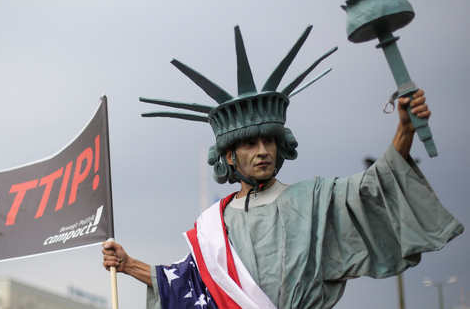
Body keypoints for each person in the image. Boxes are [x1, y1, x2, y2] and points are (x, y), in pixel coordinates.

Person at [102, 26, 463, 309]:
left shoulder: (313, 200)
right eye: (249, 143)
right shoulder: (214, 225)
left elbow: (375, 185)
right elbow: (185, 284)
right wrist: (129, 263)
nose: (263, 151)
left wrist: (403, 129)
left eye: (269, 141)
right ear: (229, 157)